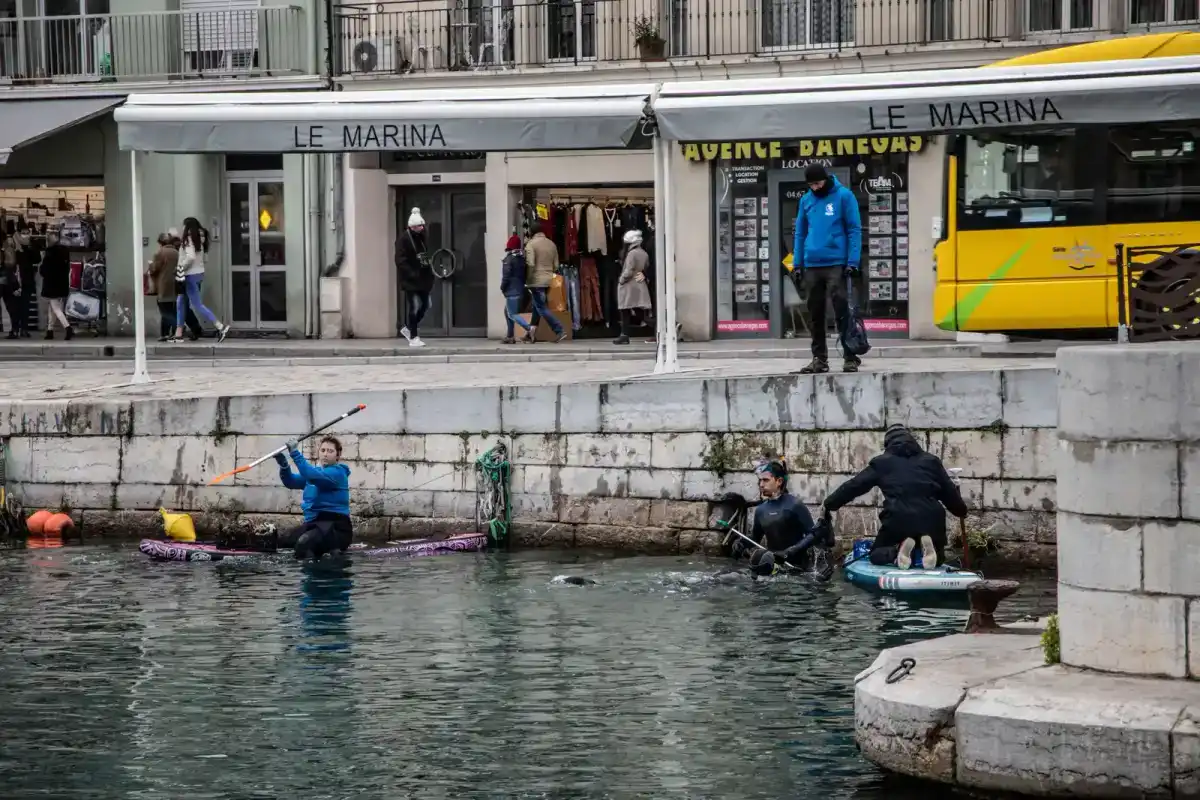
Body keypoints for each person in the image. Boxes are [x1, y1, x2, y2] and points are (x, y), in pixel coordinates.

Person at [821, 424, 967, 570]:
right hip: (932, 520)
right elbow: (950, 496)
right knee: (939, 559)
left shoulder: (882, 463)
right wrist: (961, 510)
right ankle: (925, 547)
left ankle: (898, 549)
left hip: (899, 519)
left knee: (876, 555)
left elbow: (854, 486)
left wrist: (829, 504)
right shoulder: (932, 461)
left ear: (888, 444)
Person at [793, 164, 863, 375]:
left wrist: (853, 261)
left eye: (818, 183)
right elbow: (800, 233)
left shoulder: (844, 196)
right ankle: (819, 359)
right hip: (812, 264)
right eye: (811, 185)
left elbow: (854, 229)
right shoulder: (806, 200)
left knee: (842, 311)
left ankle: (850, 357)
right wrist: (798, 263)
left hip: (836, 262)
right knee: (815, 314)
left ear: (826, 179)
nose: (815, 188)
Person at [741, 458, 831, 571]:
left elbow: (814, 535)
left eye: (765, 480)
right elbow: (755, 538)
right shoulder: (760, 510)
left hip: (798, 569)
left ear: (779, 481)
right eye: (760, 481)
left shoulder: (794, 505)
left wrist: (791, 551)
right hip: (773, 568)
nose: (761, 484)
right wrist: (742, 544)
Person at [275, 436, 353, 560]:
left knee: (304, 543)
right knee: (283, 545)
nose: (325, 454)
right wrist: (284, 466)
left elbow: (311, 475)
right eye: (323, 451)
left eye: (330, 451)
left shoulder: (337, 473)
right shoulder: (314, 473)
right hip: (314, 524)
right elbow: (291, 482)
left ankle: (315, 574)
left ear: (337, 456)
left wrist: (295, 452)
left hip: (336, 527)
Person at [172, 217, 229, 343]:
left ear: (187, 226)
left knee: (197, 304)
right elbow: (205, 258)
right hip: (198, 274)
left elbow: (190, 257)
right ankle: (178, 333)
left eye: (183, 226)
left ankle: (220, 327)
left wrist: (180, 267)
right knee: (181, 302)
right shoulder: (200, 238)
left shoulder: (188, 239)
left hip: (189, 275)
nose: (182, 228)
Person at [522, 220, 566, 344]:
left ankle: (559, 330)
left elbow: (530, 263)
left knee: (541, 307)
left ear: (531, 232)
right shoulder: (552, 244)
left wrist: (528, 279)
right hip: (549, 279)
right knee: (537, 307)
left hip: (536, 280)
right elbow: (556, 265)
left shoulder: (531, 244)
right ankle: (530, 334)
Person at [397, 207, 433, 348]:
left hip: (423, 277)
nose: (422, 228)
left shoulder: (423, 236)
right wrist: (411, 273)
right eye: (419, 226)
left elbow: (426, 253)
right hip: (411, 279)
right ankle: (413, 336)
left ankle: (409, 327)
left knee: (426, 305)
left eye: (422, 225)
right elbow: (400, 260)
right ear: (412, 227)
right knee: (414, 306)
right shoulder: (404, 239)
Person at [614, 229, 651, 345]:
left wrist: (621, 280)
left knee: (625, 310)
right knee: (639, 312)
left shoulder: (631, 254)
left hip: (629, 286)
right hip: (639, 285)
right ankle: (624, 334)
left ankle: (624, 335)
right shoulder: (643, 253)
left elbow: (629, 270)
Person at [39, 231, 73, 340]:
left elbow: (44, 270)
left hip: (52, 285)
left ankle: (67, 327)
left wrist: (42, 269)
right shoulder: (65, 251)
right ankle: (50, 331)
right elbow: (67, 268)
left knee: (55, 308)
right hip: (61, 284)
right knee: (52, 308)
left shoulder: (49, 252)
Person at [500, 233, 531, 344]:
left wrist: (502, 288)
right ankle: (510, 336)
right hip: (520, 290)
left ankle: (529, 328)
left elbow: (506, 276)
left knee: (512, 314)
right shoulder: (522, 259)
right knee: (507, 312)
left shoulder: (509, 259)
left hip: (512, 291)